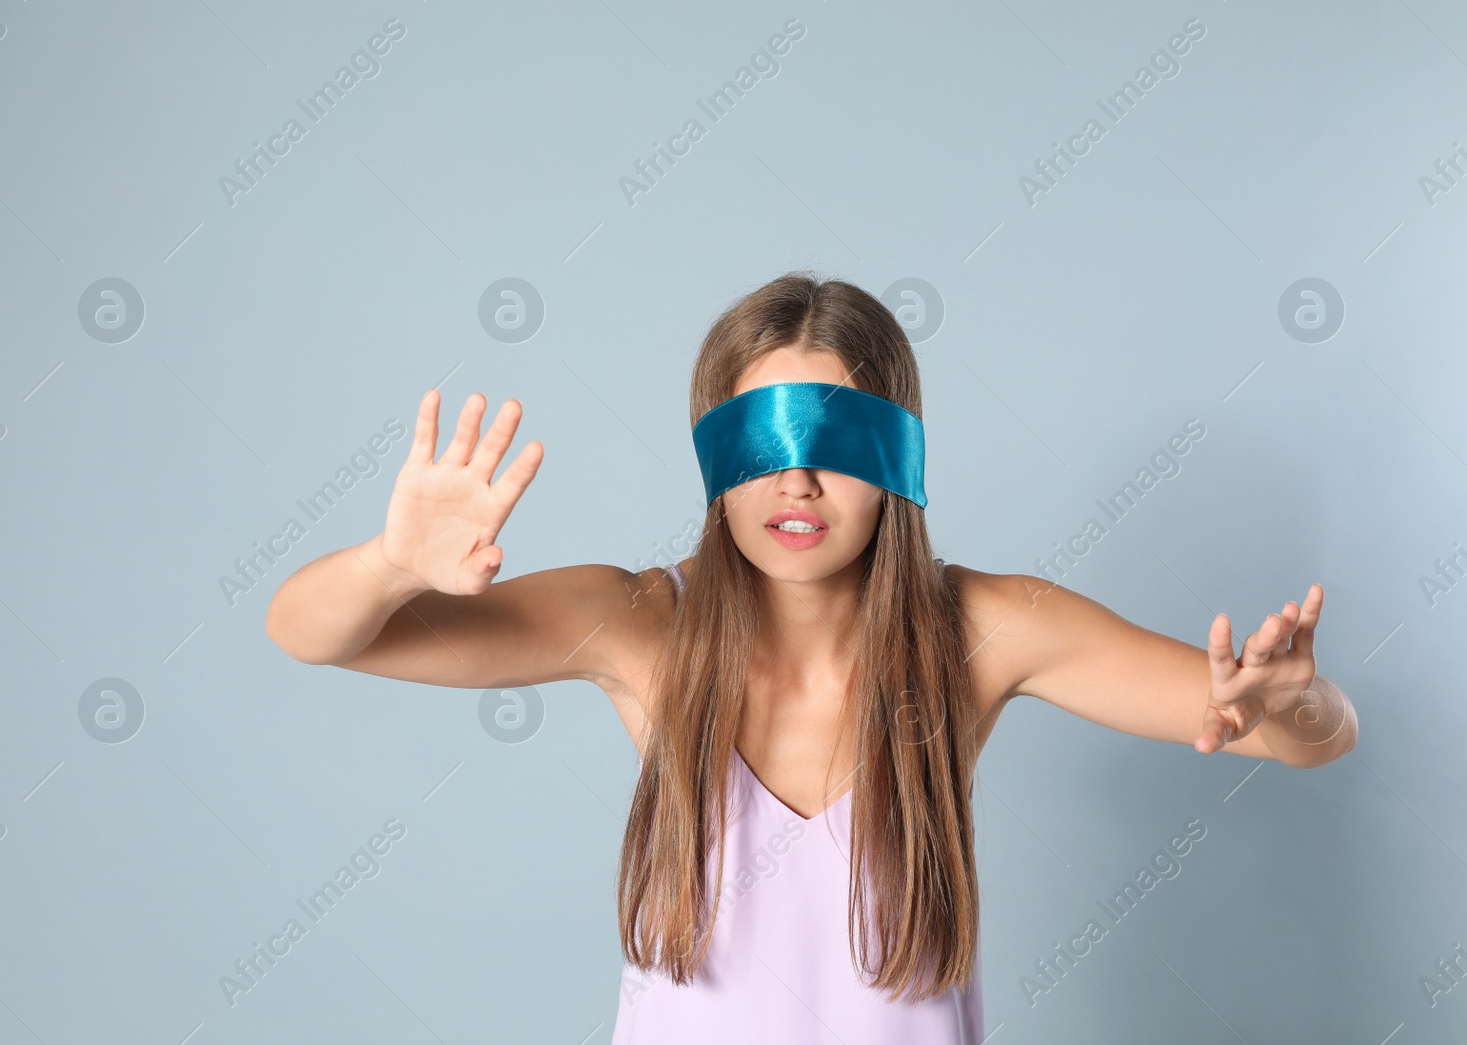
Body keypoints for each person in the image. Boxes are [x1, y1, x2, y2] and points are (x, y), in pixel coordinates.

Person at [264, 273, 1358, 1044]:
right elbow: (309, 631)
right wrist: (392, 561)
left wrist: (1295, 702)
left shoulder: (989, 626)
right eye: (761, 442)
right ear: (713, 459)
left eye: (834, 441)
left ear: (899, 460)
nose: (797, 481)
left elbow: (1307, 741)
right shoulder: (639, 623)